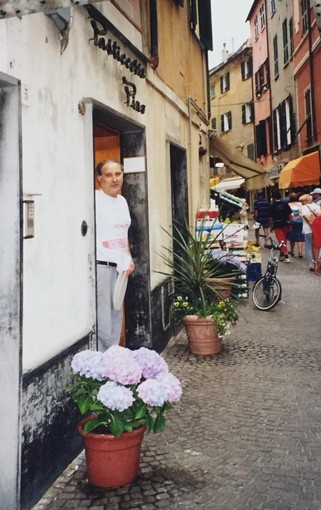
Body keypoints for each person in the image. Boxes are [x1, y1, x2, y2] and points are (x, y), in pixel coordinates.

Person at [95, 160, 135, 351]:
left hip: (121, 269)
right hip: (101, 266)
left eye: (118, 174)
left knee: (116, 315)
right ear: (99, 179)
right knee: (103, 319)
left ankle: (113, 361)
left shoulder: (122, 201)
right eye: (109, 175)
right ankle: (103, 366)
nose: (114, 179)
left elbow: (123, 234)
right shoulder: (94, 200)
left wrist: (129, 258)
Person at [299, 194, 321, 272]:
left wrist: (311, 223)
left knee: (308, 247)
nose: (301, 202)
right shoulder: (316, 206)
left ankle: (312, 265)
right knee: (317, 245)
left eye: (302, 201)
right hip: (317, 229)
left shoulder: (304, 207)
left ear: (306, 200)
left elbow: (305, 216)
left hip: (308, 229)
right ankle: (317, 260)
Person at [269, 190, 292, 262]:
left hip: (277, 224)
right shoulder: (285, 204)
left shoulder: (272, 206)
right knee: (284, 240)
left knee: (281, 240)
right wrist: (290, 224)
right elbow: (290, 214)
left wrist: (271, 226)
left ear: (274, 197)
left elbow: (270, 218)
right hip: (286, 223)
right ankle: (282, 255)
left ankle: (286, 255)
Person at [287, 192, 304, 258]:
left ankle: (292, 250)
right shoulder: (301, 204)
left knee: (292, 236)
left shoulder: (288, 204)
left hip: (292, 221)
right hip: (300, 221)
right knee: (300, 236)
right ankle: (300, 252)